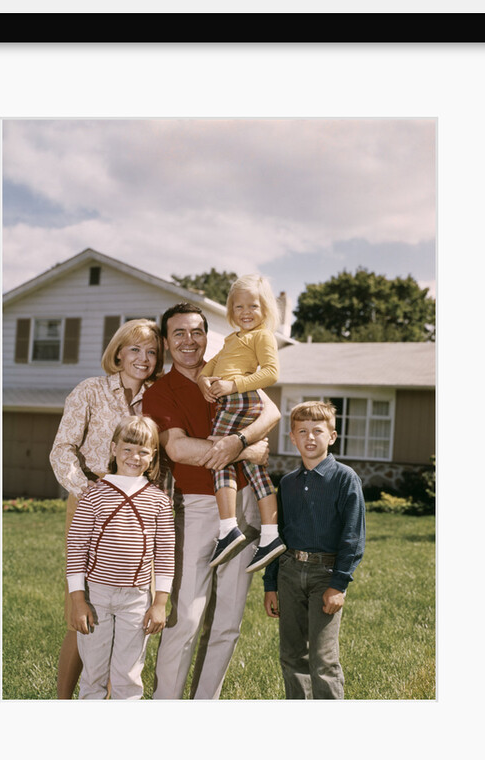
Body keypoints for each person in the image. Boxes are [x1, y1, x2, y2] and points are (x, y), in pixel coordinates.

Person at [142, 302, 281, 700]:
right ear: (167, 343)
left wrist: (239, 440)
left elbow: (269, 411)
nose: (189, 341)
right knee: (185, 618)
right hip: (199, 509)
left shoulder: (226, 373)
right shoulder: (160, 392)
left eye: (196, 332)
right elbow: (181, 449)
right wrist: (246, 450)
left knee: (227, 622)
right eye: (179, 334)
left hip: (247, 505)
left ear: (207, 336)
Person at [49, 318, 164, 699]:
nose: (143, 359)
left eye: (151, 352)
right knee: (82, 613)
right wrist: (88, 492)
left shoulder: (159, 397)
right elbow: (62, 448)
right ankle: (67, 701)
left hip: (139, 509)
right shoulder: (90, 391)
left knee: (130, 612)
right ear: (117, 352)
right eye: (134, 349)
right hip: (91, 501)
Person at [66, 415, 175, 699]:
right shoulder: (93, 496)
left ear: (152, 458)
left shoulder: (159, 500)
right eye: (127, 448)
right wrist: (78, 600)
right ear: (114, 448)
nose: (134, 456)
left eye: (143, 451)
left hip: (137, 599)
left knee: (128, 676)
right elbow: (76, 550)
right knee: (93, 676)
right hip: (96, 596)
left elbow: (165, 555)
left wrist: (160, 602)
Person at [262, 400, 365, 699]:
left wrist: (339, 584)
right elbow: (279, 536)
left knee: (323, 659)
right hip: (290, 572)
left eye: (317, 431)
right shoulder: (289, 483)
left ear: (332, 436)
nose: (310, 438)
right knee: (292, 655)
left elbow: (353, 536)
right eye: (302, 431)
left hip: (326, 574)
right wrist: (271, 584)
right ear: (292, 438)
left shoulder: (345, 479)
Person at [196, 274, 285, 573]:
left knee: (219, 455)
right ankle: (271, 536)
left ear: (265, 309)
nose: (245, 312)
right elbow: (208, 368)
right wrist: (205, 382)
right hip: (235, 400)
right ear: (230, 310)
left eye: (253, 306)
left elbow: (271, 373)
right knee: (254, 469)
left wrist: (233, 386)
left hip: (240, 400)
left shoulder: (263, 335)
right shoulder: (232, 339)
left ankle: (228, 529)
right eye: (238, 307)